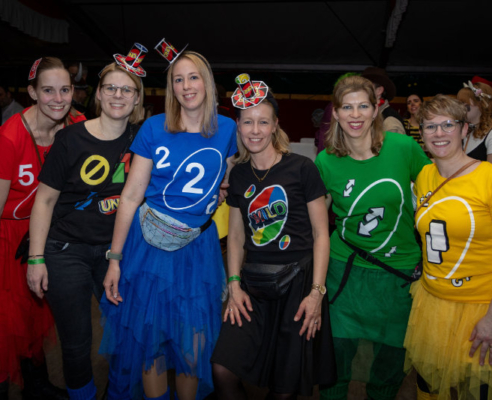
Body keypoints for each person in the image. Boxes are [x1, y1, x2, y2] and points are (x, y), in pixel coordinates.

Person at [99, 50, 238, 400]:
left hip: (198, 250)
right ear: (171, 87)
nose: (186, 85)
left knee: (194, 342)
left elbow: (231, 179)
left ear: (207, 82)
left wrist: (222, 187)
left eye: (193, 77)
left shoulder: (228, 129)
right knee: (152, 340)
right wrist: (114, 258)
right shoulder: (153, 127)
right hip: (149, 248)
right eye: (178, 79)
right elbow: (131, 196)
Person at [211, 75, 336, 400]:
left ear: (275, 125)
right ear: (238, 126)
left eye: (263, 122)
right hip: (253, 286)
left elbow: (321, 234)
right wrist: (234, 285)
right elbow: (235, 237)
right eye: (247, 122)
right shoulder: (239, 174)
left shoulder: (302, 168)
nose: (255, 130)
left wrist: (316, 294)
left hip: (299, 288)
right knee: (222, 369)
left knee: (284, 389)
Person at [27, 59, 144, 400]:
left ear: (137, 98)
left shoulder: (144, 140)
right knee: (77, 342)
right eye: (111, 88)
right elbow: (44, 201)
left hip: (118, 252)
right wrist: (36, 258)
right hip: (66, 251)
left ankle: (120, 394)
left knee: (127, 333)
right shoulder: (70, 139)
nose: (118, 95)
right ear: (98, 94)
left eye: (127, 90)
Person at [314, 75, 430, 400]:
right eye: (347, 107)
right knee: (335, 364)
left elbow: (438, 194)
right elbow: (315, 223)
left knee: (390, 365)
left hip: (398, 276)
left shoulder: (404, 148)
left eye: (363, 106)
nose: (355, 115)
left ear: (376, 109)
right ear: (336, 113)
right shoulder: (326, 160)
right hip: (344, 274)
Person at [0, 57, 85, 400]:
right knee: (6, 324)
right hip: (9, 240)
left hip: (49, 235)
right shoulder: (8, 138)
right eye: (48, 91)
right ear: (32, 93)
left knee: (35, 317)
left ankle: (37, 386)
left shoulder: (77, 125)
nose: (58, 99)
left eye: (65, 90)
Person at [404, 94, 492, 400]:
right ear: (422, 133)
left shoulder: (487, 178)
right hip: (432, 302)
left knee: (477, 389)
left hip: (479, 307)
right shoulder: (424, 176)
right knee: (429, 386)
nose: (439, 133)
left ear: (464, 129)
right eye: (430, 126)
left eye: (448, 125)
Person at [362, 67, 405, 135]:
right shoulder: (371, 115)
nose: (360, 90)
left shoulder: (390, 121)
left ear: (379, 90)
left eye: (366, 87)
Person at [456, 81, 492, 162]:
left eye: (463, 103)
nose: (460, 107)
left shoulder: (490, 134)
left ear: (481, 104)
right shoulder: (467, 132)